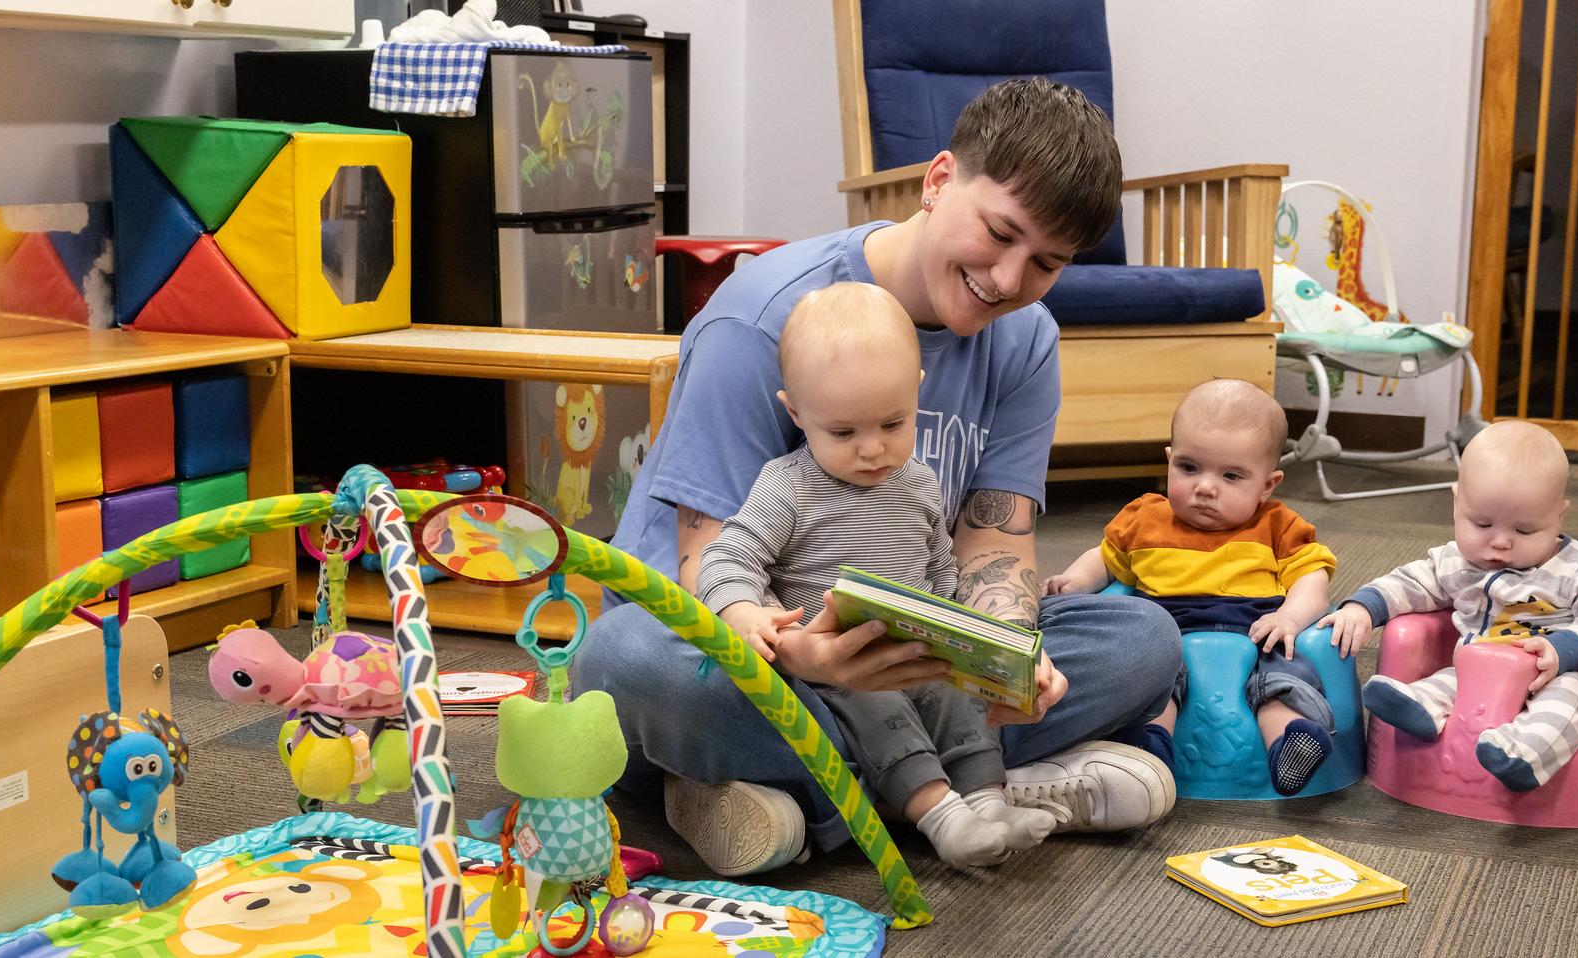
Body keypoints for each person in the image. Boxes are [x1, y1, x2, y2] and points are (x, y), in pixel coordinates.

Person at [570, 76, 1183, 877]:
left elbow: (994, 542)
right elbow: (704, 564)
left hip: (913, 659)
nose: (1006, 280)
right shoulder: (759, 317)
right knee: (624, 664)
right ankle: (965, 796)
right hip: (737, 651)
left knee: (1143, 639)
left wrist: (1007, 655)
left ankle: (787, 803)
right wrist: (804, 658)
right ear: (937, 182)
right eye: (999, 233)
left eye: (1046, 263)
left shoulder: (1025, 339)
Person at [697, 282, 1057, 868]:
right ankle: (941, 818)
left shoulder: (918, 484)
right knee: (874, 706)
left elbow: (944, 573)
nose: (872, 449)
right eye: (843, 433)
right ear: (796, 412)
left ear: (917, 393)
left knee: (963, 698)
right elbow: (727, 557)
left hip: (919, 652)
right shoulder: (787, 485)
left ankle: (989, 805)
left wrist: (979, 647)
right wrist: (742, 612)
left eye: (893, 424)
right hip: (835, 668)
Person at [1044, 379, 1340, 795]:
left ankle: (1291, 740)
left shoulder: (1278, 526)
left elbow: (1313, 578)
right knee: (1152, 678)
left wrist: (1289, 618)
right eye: (1188, 467)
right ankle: (1148, 751)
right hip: (1166, 629)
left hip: (1255, 629)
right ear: (1168, 459)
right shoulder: (1144, 518)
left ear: (1267, 484)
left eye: (1231, 475)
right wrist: (1073, 581)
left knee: (1283, 675)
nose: (1204, 487)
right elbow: (1106, 561)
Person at [1318, 420, 1578, 791]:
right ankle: (1418, 708)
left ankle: (1523, 756)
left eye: (1524, 531)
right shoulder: (1458, 561)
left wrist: (1565, 650)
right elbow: (1410, 582)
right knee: (1448, 682)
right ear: (1456, 504)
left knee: (1567, 705)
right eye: (1482, 524)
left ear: (1559, 517)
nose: (1500, 542)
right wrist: (1364, 607)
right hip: (1476, 671)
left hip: (1551, 677)